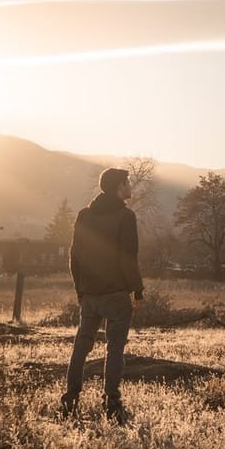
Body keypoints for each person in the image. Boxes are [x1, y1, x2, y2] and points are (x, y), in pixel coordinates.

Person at [61, 167, 144, 422]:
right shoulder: (125, 216)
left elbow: (74, 255)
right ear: (119, 186)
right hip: (116, 294)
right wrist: (138, 291)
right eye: (128, 182)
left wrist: (80, 289)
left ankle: (70, 399)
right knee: (115, 349)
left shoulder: (85, 215)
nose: (131, 186)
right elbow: (128, 257)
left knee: (81, 347)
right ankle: (111, 402)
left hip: (90, 294)